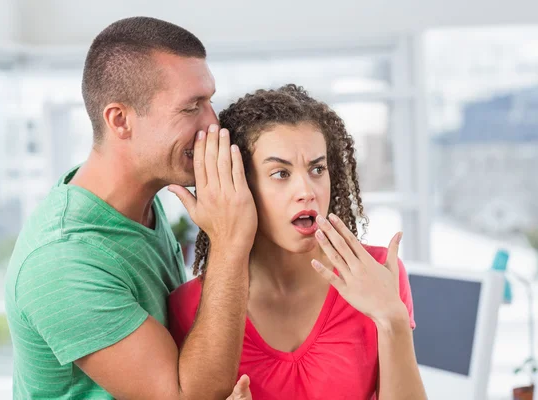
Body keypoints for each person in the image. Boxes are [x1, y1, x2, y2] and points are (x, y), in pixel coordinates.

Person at [5, 17, 256, 399]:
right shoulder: (60, 260)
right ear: (120, 120)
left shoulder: (144, 206)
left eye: (209, 101)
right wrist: (229, 242)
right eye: (191, 108)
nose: (213, 124)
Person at [168, 84, 428, 400]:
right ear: (240, 185)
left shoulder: (378, 274)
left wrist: (393, 319)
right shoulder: (189, 307)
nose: (307, 190)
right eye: (280, 173)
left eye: (317, 169)